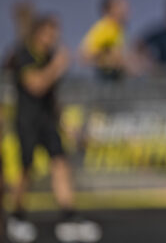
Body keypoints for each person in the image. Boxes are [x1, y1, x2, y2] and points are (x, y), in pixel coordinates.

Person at [8, 15, 101, 243]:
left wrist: (65, 125)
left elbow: (52, 98)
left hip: (48, 120)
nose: (53, 39)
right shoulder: (24, 54)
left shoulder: (49, 56)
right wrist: (57, 66)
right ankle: (17, 214)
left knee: (60, 163)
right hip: (26, 120)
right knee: (26, 168)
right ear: (39, 33)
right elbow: (35, 85)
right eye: (50, 34)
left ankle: (68, 215)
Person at [80, 0, 130, 80]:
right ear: (109, 10)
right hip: (105, 78)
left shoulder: (117, 29)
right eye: (120, 6)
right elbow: (85, 55)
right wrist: (108, 57)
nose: (124, 9)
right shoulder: (105, 28)